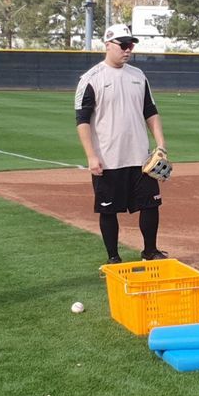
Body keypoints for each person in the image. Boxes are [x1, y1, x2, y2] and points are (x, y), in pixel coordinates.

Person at [75, 24, 169, 264]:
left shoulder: (138, 76)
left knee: (151, 204)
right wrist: (91, 156)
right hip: (108, 158)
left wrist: (160, 144)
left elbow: (151, 111)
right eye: (123, 45)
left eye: (131, 45)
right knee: (108, 209)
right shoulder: (91, 79)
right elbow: (82, 120)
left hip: (140, 156)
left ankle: (150, 250)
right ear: (108, 45)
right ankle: (113, 257)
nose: (128, 50)